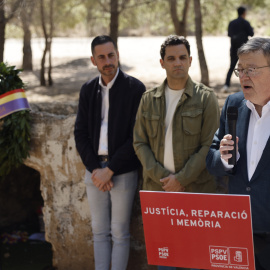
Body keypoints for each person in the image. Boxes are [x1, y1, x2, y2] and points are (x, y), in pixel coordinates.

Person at [133, 35, 220, 270]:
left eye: (182, 57)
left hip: (196, 193)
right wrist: (165, 179)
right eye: (171, 58)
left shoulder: (206, 98)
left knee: (197, 260)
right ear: (162, 63)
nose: (177, 63)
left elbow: (210, 146)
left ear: (190, 60)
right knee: (167, 261)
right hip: (160, 195)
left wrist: (180, 179)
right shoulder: (148, 99)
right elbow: (140, 142)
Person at [74, 35, 145, 270]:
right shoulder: (87, 90)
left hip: (122, 171)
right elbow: (80, 133)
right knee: (99, 231)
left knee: (120, 232)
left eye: (111, 55)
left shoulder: (135, 88)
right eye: (102, 57)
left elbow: (137, 135)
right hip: (94, 171)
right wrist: (96, 169)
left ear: (117, 55)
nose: (108, 61)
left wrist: (111, 169)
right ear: (93, 60)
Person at [206, 37, 270, 270]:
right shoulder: (233, 105)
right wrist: (223, 158)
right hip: (240, 233)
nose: (243, 76)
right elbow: (212, 160)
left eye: (251, 69)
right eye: (239, 69)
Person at [222, 6, 254, 93]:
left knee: (232, 66)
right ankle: (245, 86)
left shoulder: (232, 23)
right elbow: (251, 33)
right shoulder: (246, 23)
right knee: (245, 68)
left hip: (234, 48)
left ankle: (226, 85)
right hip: (244, 49)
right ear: (244, 13)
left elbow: (229, 34)